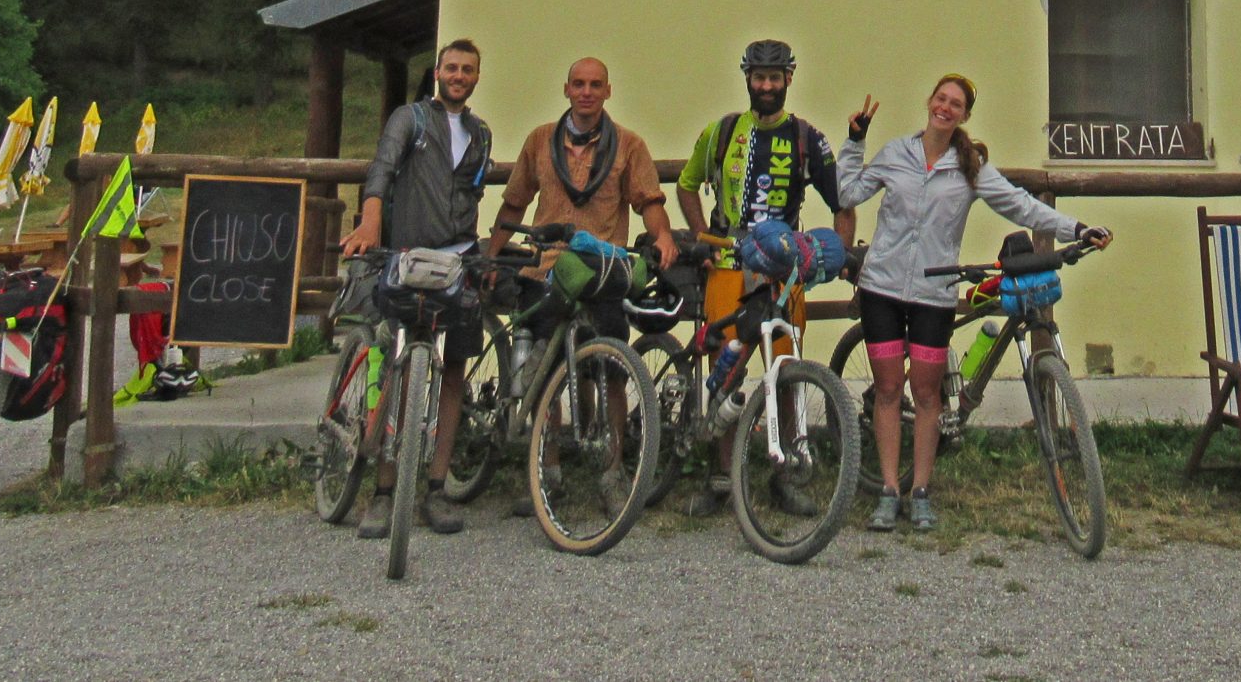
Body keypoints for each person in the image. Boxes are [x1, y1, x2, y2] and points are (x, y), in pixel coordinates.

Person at [840, 74, 1110, 533]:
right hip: (881, 288)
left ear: (965, 115)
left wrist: (1076, 228)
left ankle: (920, 491)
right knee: (887, 392)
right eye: (941, 99)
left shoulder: (971, 168)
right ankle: (888, 491)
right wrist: (854, 141)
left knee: (926, 395)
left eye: (956, 104)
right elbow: (848, 194)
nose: (945, 107)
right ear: (929, 102)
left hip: (933, 292)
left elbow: (1022, 206)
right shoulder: (896, 154)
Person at [673, 38, 855, 513]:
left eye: (775, 78)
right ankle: (721, 477)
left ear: (789, 79)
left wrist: (835, 257)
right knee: (723, 369)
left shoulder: (807, 138)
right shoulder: (722, 131)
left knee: (787, 373)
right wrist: (701, 238)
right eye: (759, 77)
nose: (767, 86)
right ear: (747, 78)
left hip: (785, 271)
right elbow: (687, 185)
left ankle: (787, 475)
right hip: (729, 266)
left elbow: (843, 203)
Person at [338, 37, 494, 539]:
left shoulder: (480, 132)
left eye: (468, 69)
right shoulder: (411, 119)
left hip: (459, 262)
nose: (459, 75)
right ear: (438, 73)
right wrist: (369, 225)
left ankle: (435, 487)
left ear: (476, 77)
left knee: (454, 373)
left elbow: (471, 194)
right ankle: (384, 492)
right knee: (399, 373)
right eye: (452, 67)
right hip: (407, 259)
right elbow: (381, 171)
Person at [484, 56, 679, 333]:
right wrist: (492, 255)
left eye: (595, 85)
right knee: (538, 349)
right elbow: (515, 202)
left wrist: (663, 236)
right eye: (579, 84)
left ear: (608, 91)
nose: (586, 92)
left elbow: (649, 201)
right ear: (567, 90)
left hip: (600, 270)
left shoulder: (630, 144)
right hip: (544, 267)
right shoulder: (540, 139)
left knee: (611, 354)